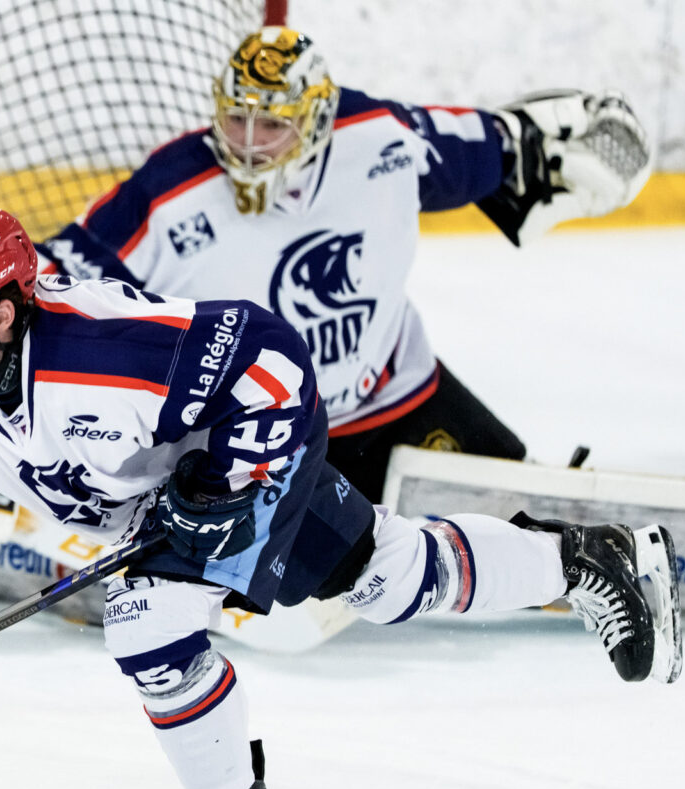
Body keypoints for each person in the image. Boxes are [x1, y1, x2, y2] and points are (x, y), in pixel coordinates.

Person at [0, 201, 681, 789]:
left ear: (2, 307)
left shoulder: (103, 351)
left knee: (146, 623)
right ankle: (581, 562)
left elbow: (265, 358)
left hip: (229, 467)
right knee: (384, 578)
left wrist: (226, 489)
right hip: (160, 504)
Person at [40, 26, 651, 505]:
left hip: (396, 393)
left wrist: (571, 145)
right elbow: (60, 280)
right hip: (258, 434)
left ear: (316, 117)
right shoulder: (171, 190)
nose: (249, 142)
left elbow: (505, 143)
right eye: (236, 118)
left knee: (523, 515)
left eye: (273, 124)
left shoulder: (382, 139)